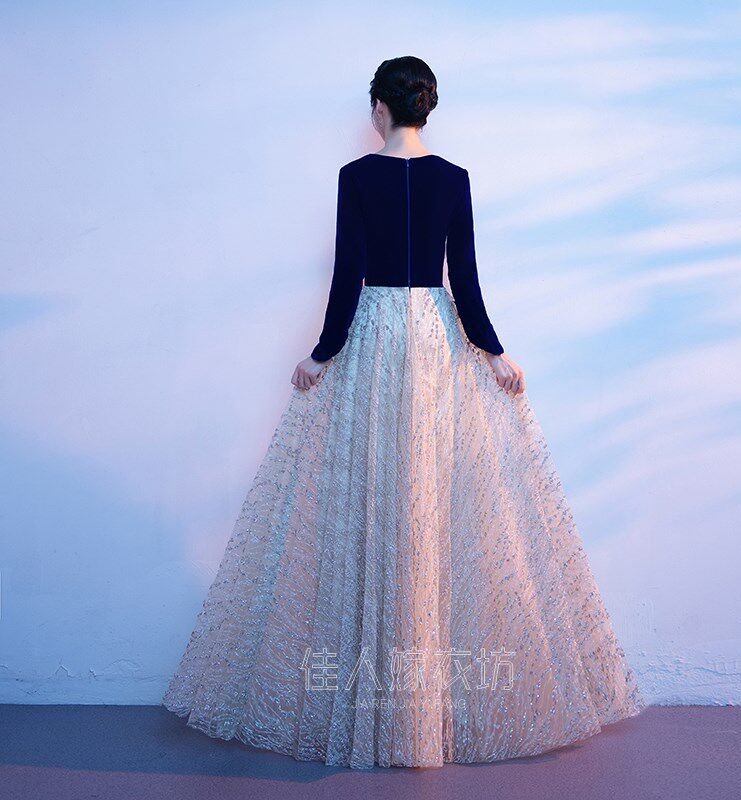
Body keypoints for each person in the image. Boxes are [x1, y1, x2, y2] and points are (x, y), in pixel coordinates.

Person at [162, 55, 646, 769]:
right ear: (426, 108)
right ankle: (427, 707)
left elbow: (347, 278)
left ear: (379, 110)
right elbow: (465, 283)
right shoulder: (454, 178)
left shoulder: (356, 177)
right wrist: (495, 354)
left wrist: (321, 355)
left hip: (378, 339)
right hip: (435, 339)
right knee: (430, 501)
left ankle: (380, 704)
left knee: (377, 501)